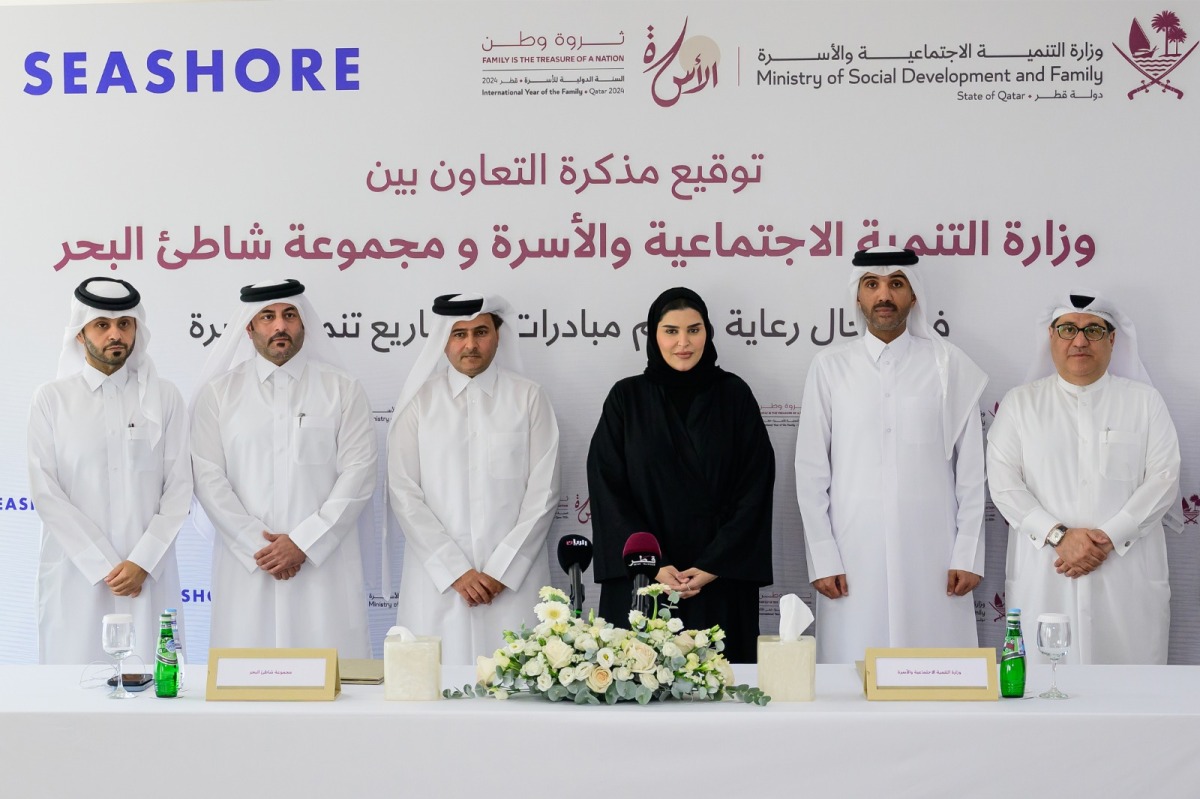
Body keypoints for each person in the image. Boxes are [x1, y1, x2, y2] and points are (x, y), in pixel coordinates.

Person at [794, 247, 988, 663]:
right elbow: (811, 472)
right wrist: (823, 556)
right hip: (852, 554)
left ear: (913, 295)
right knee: (852, 677)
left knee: (937, 675)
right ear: (858, 297)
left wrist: (967, 552)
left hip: (934, 555)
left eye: (896, 284)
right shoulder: (830, 367)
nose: (884, 295)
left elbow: (971, 473)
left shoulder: (949, 365)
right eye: (872, 285)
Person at [987, 292, 1180, 664]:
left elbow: (1164, 477)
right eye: (1068, 329)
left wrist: (1106, 539)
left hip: (1126, 580)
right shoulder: (1020, 404)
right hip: (1046, 576)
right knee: (1045, 696)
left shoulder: (1145, 402)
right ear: (1052, 337)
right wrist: (1059, 536)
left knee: (1130, 699)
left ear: (1112, 340)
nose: (1080, 341)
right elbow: (1004, 483)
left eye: (1093, 329)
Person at [587, 287, 774, 663]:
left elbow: (756, 484)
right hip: (644, 580)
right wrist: (651, 565)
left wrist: (713, 564)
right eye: (671, 331)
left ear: (708, 333)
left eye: (694, 329)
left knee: (720, 695)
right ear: (653, 336)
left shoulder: (734, 395)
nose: (683, 343)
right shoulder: (627, 398)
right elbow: (608, 488)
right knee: (638, 690)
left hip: (718, 581)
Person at [191, 279, 375, 656]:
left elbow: (358, 474)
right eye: (268, 317)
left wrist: (304, 543)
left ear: (303, 324)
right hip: (248, 565)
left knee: (331, 684)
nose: (280, 326)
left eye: (290, 315)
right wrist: (259, 546)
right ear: (249, 328)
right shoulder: (219, 394)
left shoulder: (343, 389)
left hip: (323, 566)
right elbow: (208, 478)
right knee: (246, 683)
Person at [387, 293, 560, 664]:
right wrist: (457, 571)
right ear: (443, 341)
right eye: (458, 334)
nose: (470, 344)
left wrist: (500, 571)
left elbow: (543, 494)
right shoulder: (419, 401)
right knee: (434, 691)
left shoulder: (528, 398)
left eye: (480, 332)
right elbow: (404, 493)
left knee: (522, 688)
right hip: (439, 582)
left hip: (513, 584)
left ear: (497, 336)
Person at [28, 277, 190, 665]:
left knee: (153, 692)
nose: (115, 334)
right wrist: (101, 565)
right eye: (102, 325)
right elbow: (46, 492)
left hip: (148, 575)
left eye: (124, 324)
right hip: (76, 575)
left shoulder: (164, 397)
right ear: (80, 335)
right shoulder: (51, 400)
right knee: (73, 695)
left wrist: (142, 561)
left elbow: (179, 488)